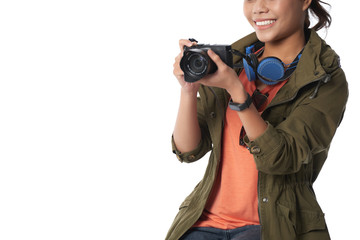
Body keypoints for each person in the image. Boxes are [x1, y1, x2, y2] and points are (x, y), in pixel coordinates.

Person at [166, 0, 348, 239]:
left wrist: (239, 94)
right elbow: (188, 150)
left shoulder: (324, 78)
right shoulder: (231, 64)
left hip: (272, 226)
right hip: (204, 222)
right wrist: (189, 90)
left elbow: (281, 158)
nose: (258, 7)